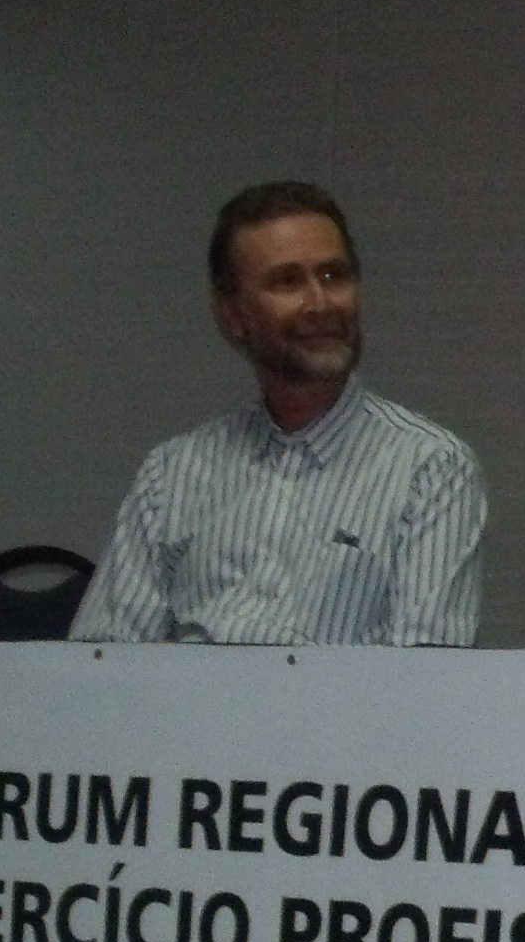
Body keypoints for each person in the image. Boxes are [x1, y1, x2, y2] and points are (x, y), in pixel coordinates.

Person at [72, 181, 484, 646]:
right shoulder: (172, 474)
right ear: (232, 315)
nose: (320, 303)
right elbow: (102, 658)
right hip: (187, 695)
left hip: (339, 698)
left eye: (333, 276)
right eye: (287, 282)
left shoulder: (430, 469)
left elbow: (424, 674)